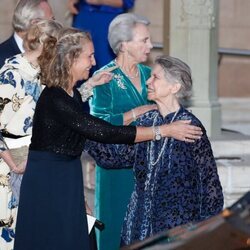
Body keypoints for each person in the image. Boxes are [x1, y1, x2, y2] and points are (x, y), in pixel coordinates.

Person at [13, 28, 202, 250]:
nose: (93, 62)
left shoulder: (70, 94)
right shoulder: (55, 97)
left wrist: (90, 86)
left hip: (66, 175)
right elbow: (105, 132)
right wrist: (164, 130)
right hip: (48, 180)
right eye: (89, 56)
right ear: (72, 58)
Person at [86, 55, 224, 246]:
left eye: (156, 78)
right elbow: (115, 157)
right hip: (138, 225)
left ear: (174, 87)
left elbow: (209, 185)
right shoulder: (146, 121)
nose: (148, 81)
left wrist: (206, 233)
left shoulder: (190, 128)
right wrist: (83, 131)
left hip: (175, 230)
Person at [90, 13, 197, 250]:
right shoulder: (104, 78)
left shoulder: (151, 75)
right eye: (144, 40)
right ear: (124, 44)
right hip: (117, 171)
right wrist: (135, 113)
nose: (150, 46)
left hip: (152, 169)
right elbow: (98, 127)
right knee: (115, 231)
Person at [0, 19, 63, 249]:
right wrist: (14, 162)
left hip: (33, 166)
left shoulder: (42, 75)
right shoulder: (12, 74)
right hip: (7, 171)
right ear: (48, 48)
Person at [0, 0, 54, 69]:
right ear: (35, 24)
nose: (54, 25)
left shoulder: (52, 53)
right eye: (51, 21)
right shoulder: (2, 59)